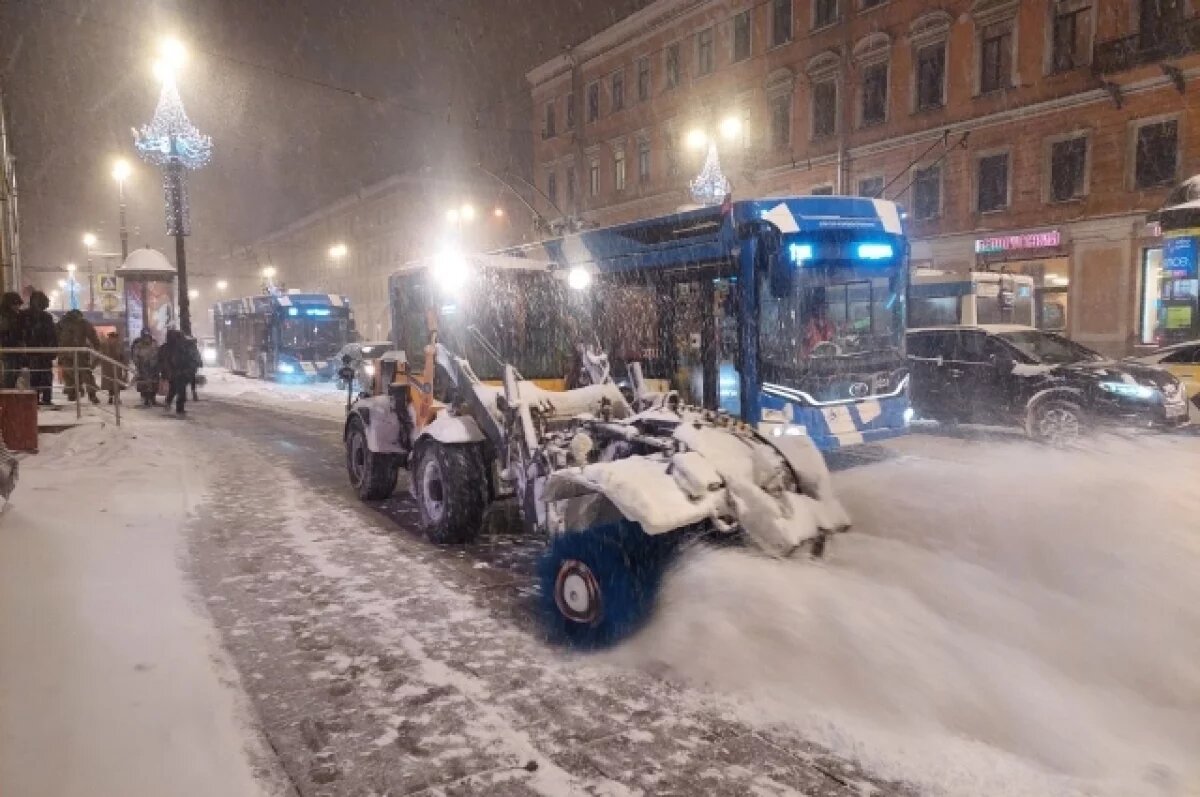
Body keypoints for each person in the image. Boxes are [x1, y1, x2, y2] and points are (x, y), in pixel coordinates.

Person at [20, 291, 58, 405]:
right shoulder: (42, 316)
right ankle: (42, 398)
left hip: (36, 351)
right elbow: (52, 335)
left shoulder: (25, 315)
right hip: (38, 352)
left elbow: (52, 335)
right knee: (40, 375)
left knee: (38, 376)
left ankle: (37, 398)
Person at [56, 309, 101, 403]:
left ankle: (72, 393)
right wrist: (97, 346)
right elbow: (92, 335)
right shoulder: (82, 323)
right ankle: (91, 395)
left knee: (69, 374)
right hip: (79, 352)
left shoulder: (62, 323)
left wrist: (57, 351)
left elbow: (56, 337)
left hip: (65, 352)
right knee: (85, 374)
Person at [158, 329, 202, 416]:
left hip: (180, 372)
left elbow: (163, 360)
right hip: (178, 372)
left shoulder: (176, 347)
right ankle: (178, 408)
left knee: (175, 389)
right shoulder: (172, 347)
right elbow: (164, 360)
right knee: (178, 390)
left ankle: (171, 404)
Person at [0, 292, 25, 389]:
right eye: (15, 304)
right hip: (9, 349)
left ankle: (9, 393)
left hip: (14, 350)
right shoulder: (6, 317)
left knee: (13, 373)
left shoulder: (17, 316)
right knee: (9, 374)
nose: (17, 306)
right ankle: (8, 393)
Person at [130, 329, 160, 407]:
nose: (147, 338)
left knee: (154, 383)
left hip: (154, 367)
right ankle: (145, 399)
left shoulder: (154, 343)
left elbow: (158, 353)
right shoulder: (138, 345)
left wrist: (157, 363)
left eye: (148, 336)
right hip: (143, 367)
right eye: (145, 336)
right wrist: (138, 364)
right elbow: (135, 356)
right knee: (144, 383)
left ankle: (153, 398)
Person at [802, 292, 836, 357]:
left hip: (829, 361)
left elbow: (834, 344)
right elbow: (804, 353)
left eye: (823, 308)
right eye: (818, 308)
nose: (820, 311)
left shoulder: (830, 324)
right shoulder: (808, 327)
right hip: (811, 364)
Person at [98, 331, 128, 404]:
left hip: (107, 367)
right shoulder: (119, 344)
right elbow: (122, 356)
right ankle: (116, 398)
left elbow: (99, 354)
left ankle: (110, 398)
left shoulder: (103, 344)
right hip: (116, 366)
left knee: (109, 383)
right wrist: (125, 367)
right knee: (116, 383)